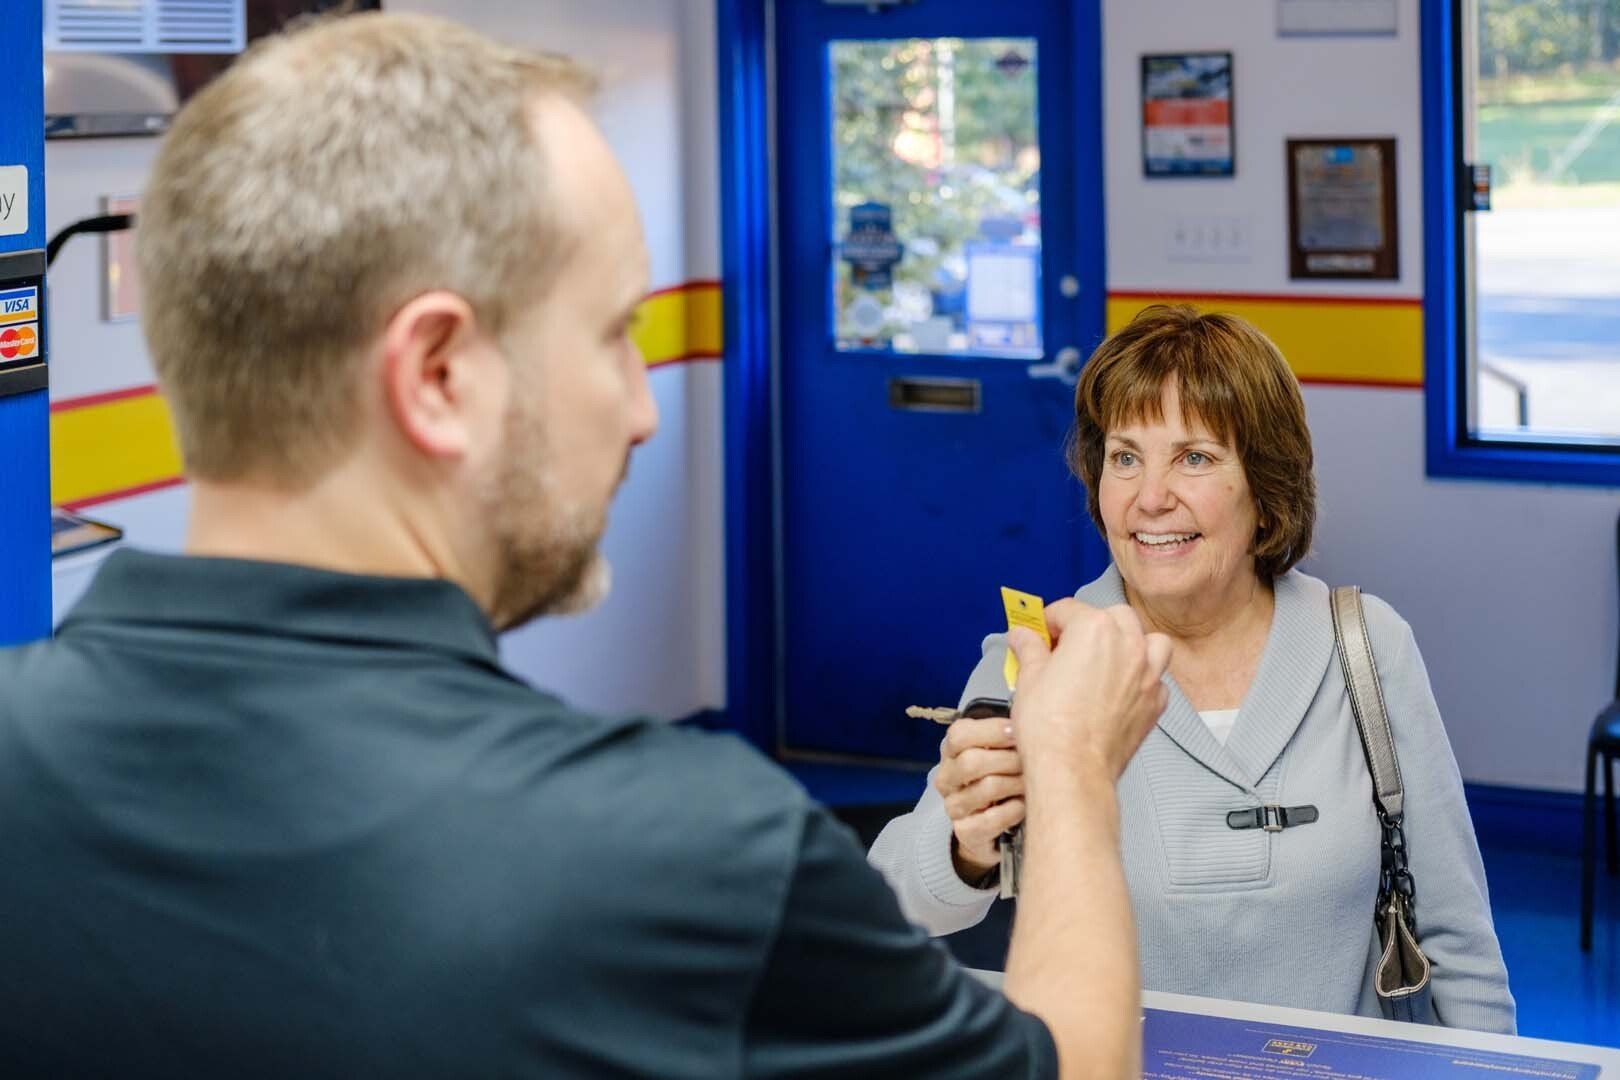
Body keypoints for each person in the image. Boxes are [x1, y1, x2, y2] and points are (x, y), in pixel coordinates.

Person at [0, 13, 1174, 1077]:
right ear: (441, 375)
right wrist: (1068, 763)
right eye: (613, 334)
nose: (643, 407)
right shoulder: (684, 857)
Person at [870, 304, 1517, 1035]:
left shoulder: (1367, 647)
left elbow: (1460, 943)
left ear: (1266, 487)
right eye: (1125, 457)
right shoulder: (1039, 656)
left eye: (1196, 457)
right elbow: (897, 901)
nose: (1150, 498)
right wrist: (964, 846)